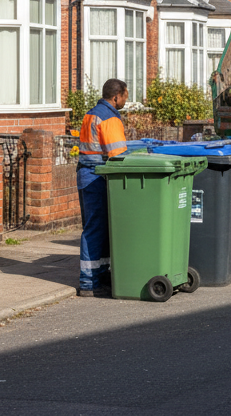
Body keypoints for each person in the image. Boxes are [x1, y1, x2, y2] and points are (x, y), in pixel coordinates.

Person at [74, 78, 129, 297]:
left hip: (86, 175)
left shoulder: (92, 113)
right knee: (96, 228)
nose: (127, 99)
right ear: (117, 96)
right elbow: (118, 155)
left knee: (100, 227)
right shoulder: (109, 117)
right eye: (126, 95)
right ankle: (88, 282)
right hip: (99, 177)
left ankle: (100, 275)